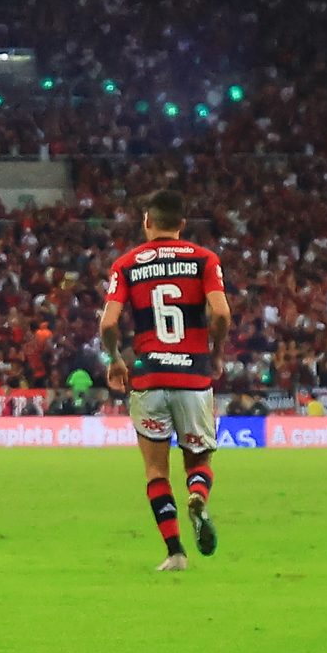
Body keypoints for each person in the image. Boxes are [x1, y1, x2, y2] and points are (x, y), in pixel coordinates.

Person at [99, 187, 231, 572]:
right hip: (192, 376)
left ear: (147, 221)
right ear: (182, 225)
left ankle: (175, 553)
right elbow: (221, 315)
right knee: (199, 459)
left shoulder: (126, 264)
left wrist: (115, 360)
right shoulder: (205, 259)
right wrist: (216, 352)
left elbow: (108, 322)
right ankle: (197, 495)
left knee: (156, 471)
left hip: (149, 377)